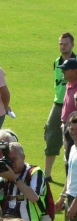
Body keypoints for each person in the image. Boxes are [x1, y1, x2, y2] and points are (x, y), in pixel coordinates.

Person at [43, 34, 75, 180]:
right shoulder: (57, 62)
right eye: (61, 44)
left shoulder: (75, 63)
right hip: (58, 105)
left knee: (72, 138)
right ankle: (47, 174)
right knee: (51, 135)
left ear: (72, 45)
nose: (63, 46)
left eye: (66, 44)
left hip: (73, 104)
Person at [56, 112, 77, 221]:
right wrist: (62, 197)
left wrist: (74, 204)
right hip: (71, 196)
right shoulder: (73, 148)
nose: (73, 132)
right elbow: (70, 176)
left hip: (76, 199)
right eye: (72, 128)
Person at [59, 58, 77, 168]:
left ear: (75, 71)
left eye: (66, 69)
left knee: (71, 158)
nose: (63, 71)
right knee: (67, 157)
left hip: (74, 129)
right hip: (66, 127)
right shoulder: (69, 84)